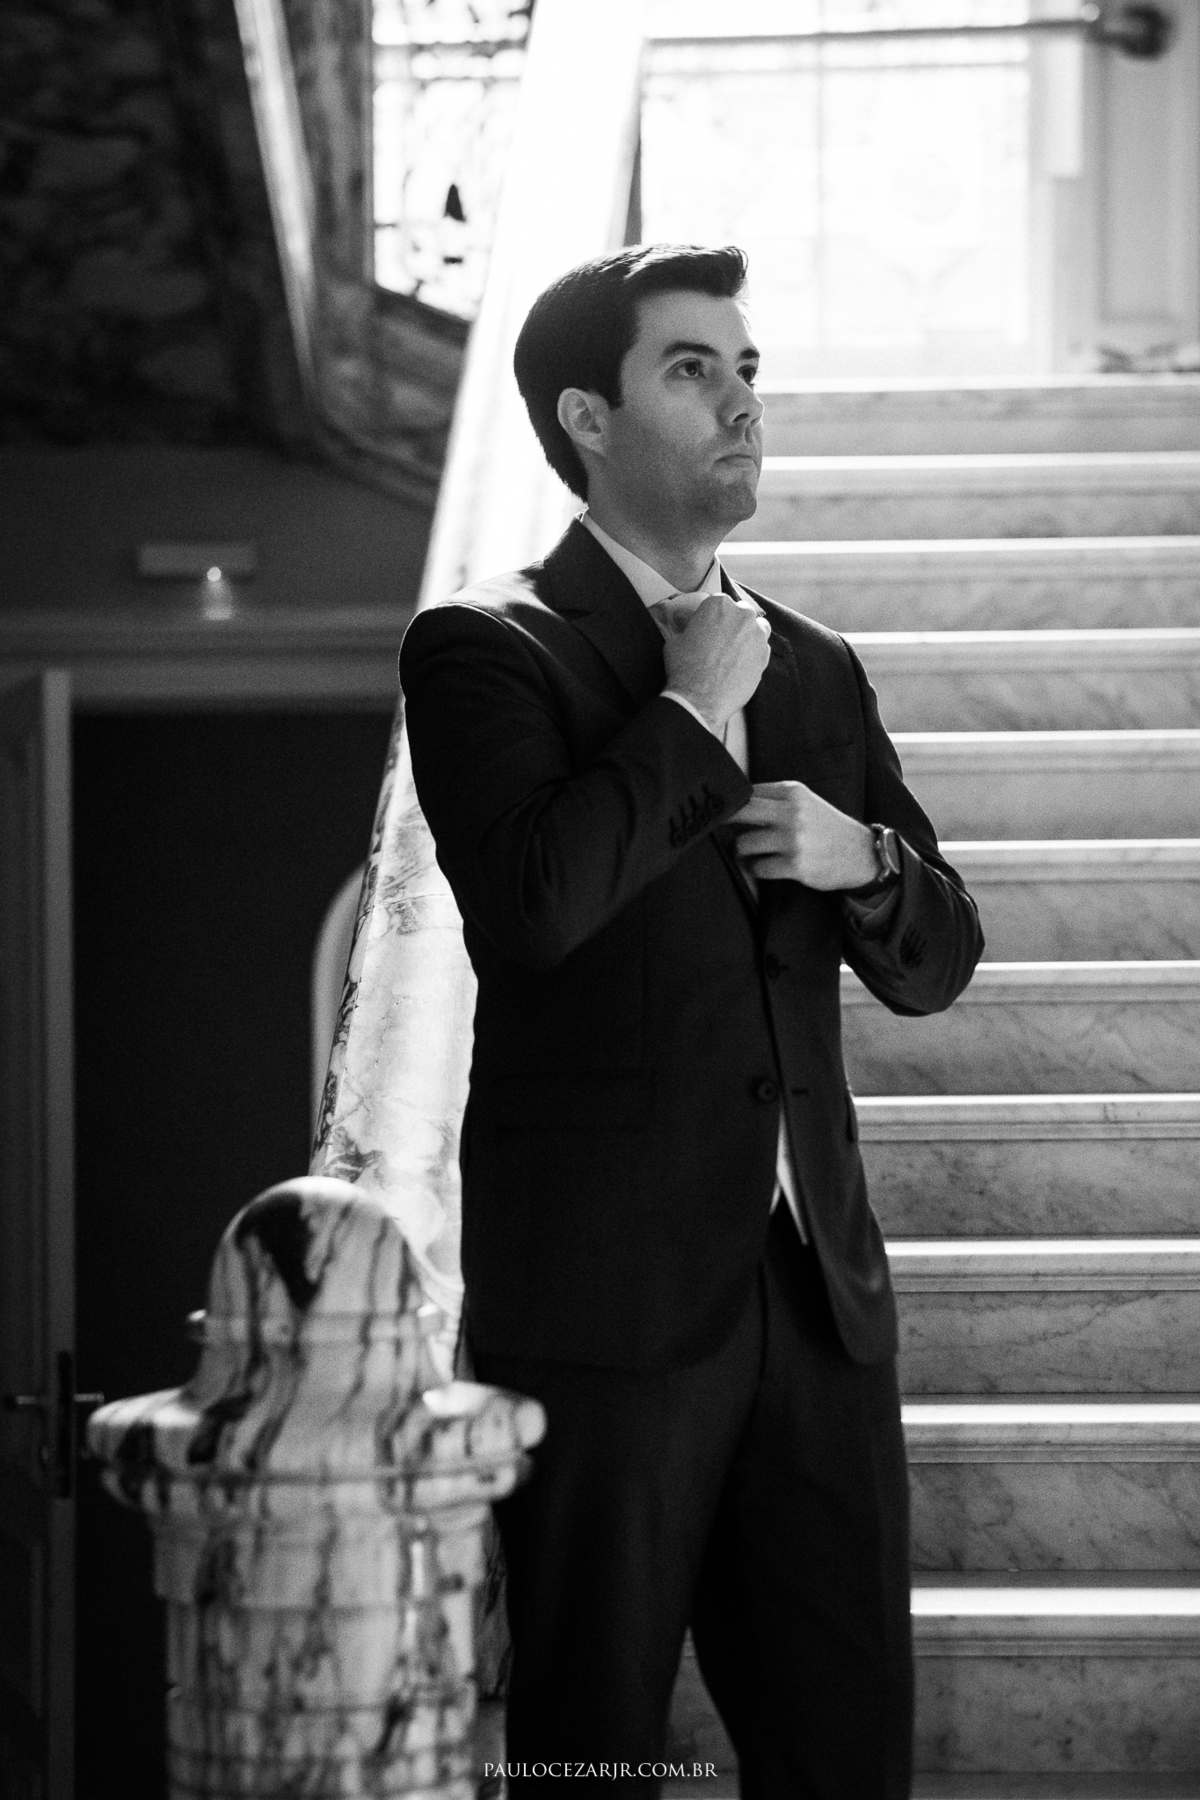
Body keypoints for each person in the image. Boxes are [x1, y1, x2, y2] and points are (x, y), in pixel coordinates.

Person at [399, 243, 983, 1797]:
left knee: (845, 1757)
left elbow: (939, 958)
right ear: (587, 418)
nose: (742, 403)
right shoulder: (487, 646)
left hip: (820, 1302)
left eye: (748, 369)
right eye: (692, 369)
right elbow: (534, 906)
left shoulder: (820, 666)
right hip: (605, 1311)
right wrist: (686, 712)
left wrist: (867, 861)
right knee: (587, 1758)